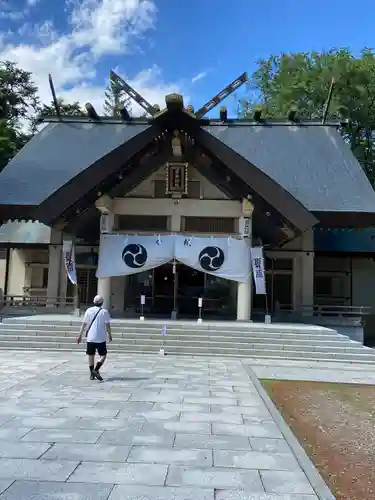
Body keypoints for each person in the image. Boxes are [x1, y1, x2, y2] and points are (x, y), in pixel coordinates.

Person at [76, 294, 112, 381]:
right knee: (103, 355)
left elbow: (84, 324)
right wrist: (109, 335)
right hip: (100, 337)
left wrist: (80, 335)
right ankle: (96, 370)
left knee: (90, 355)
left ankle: (92, 374)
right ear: (102, 303)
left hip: (90, 337)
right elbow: (108, 325)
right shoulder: (104, 312)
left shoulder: (88, 310)